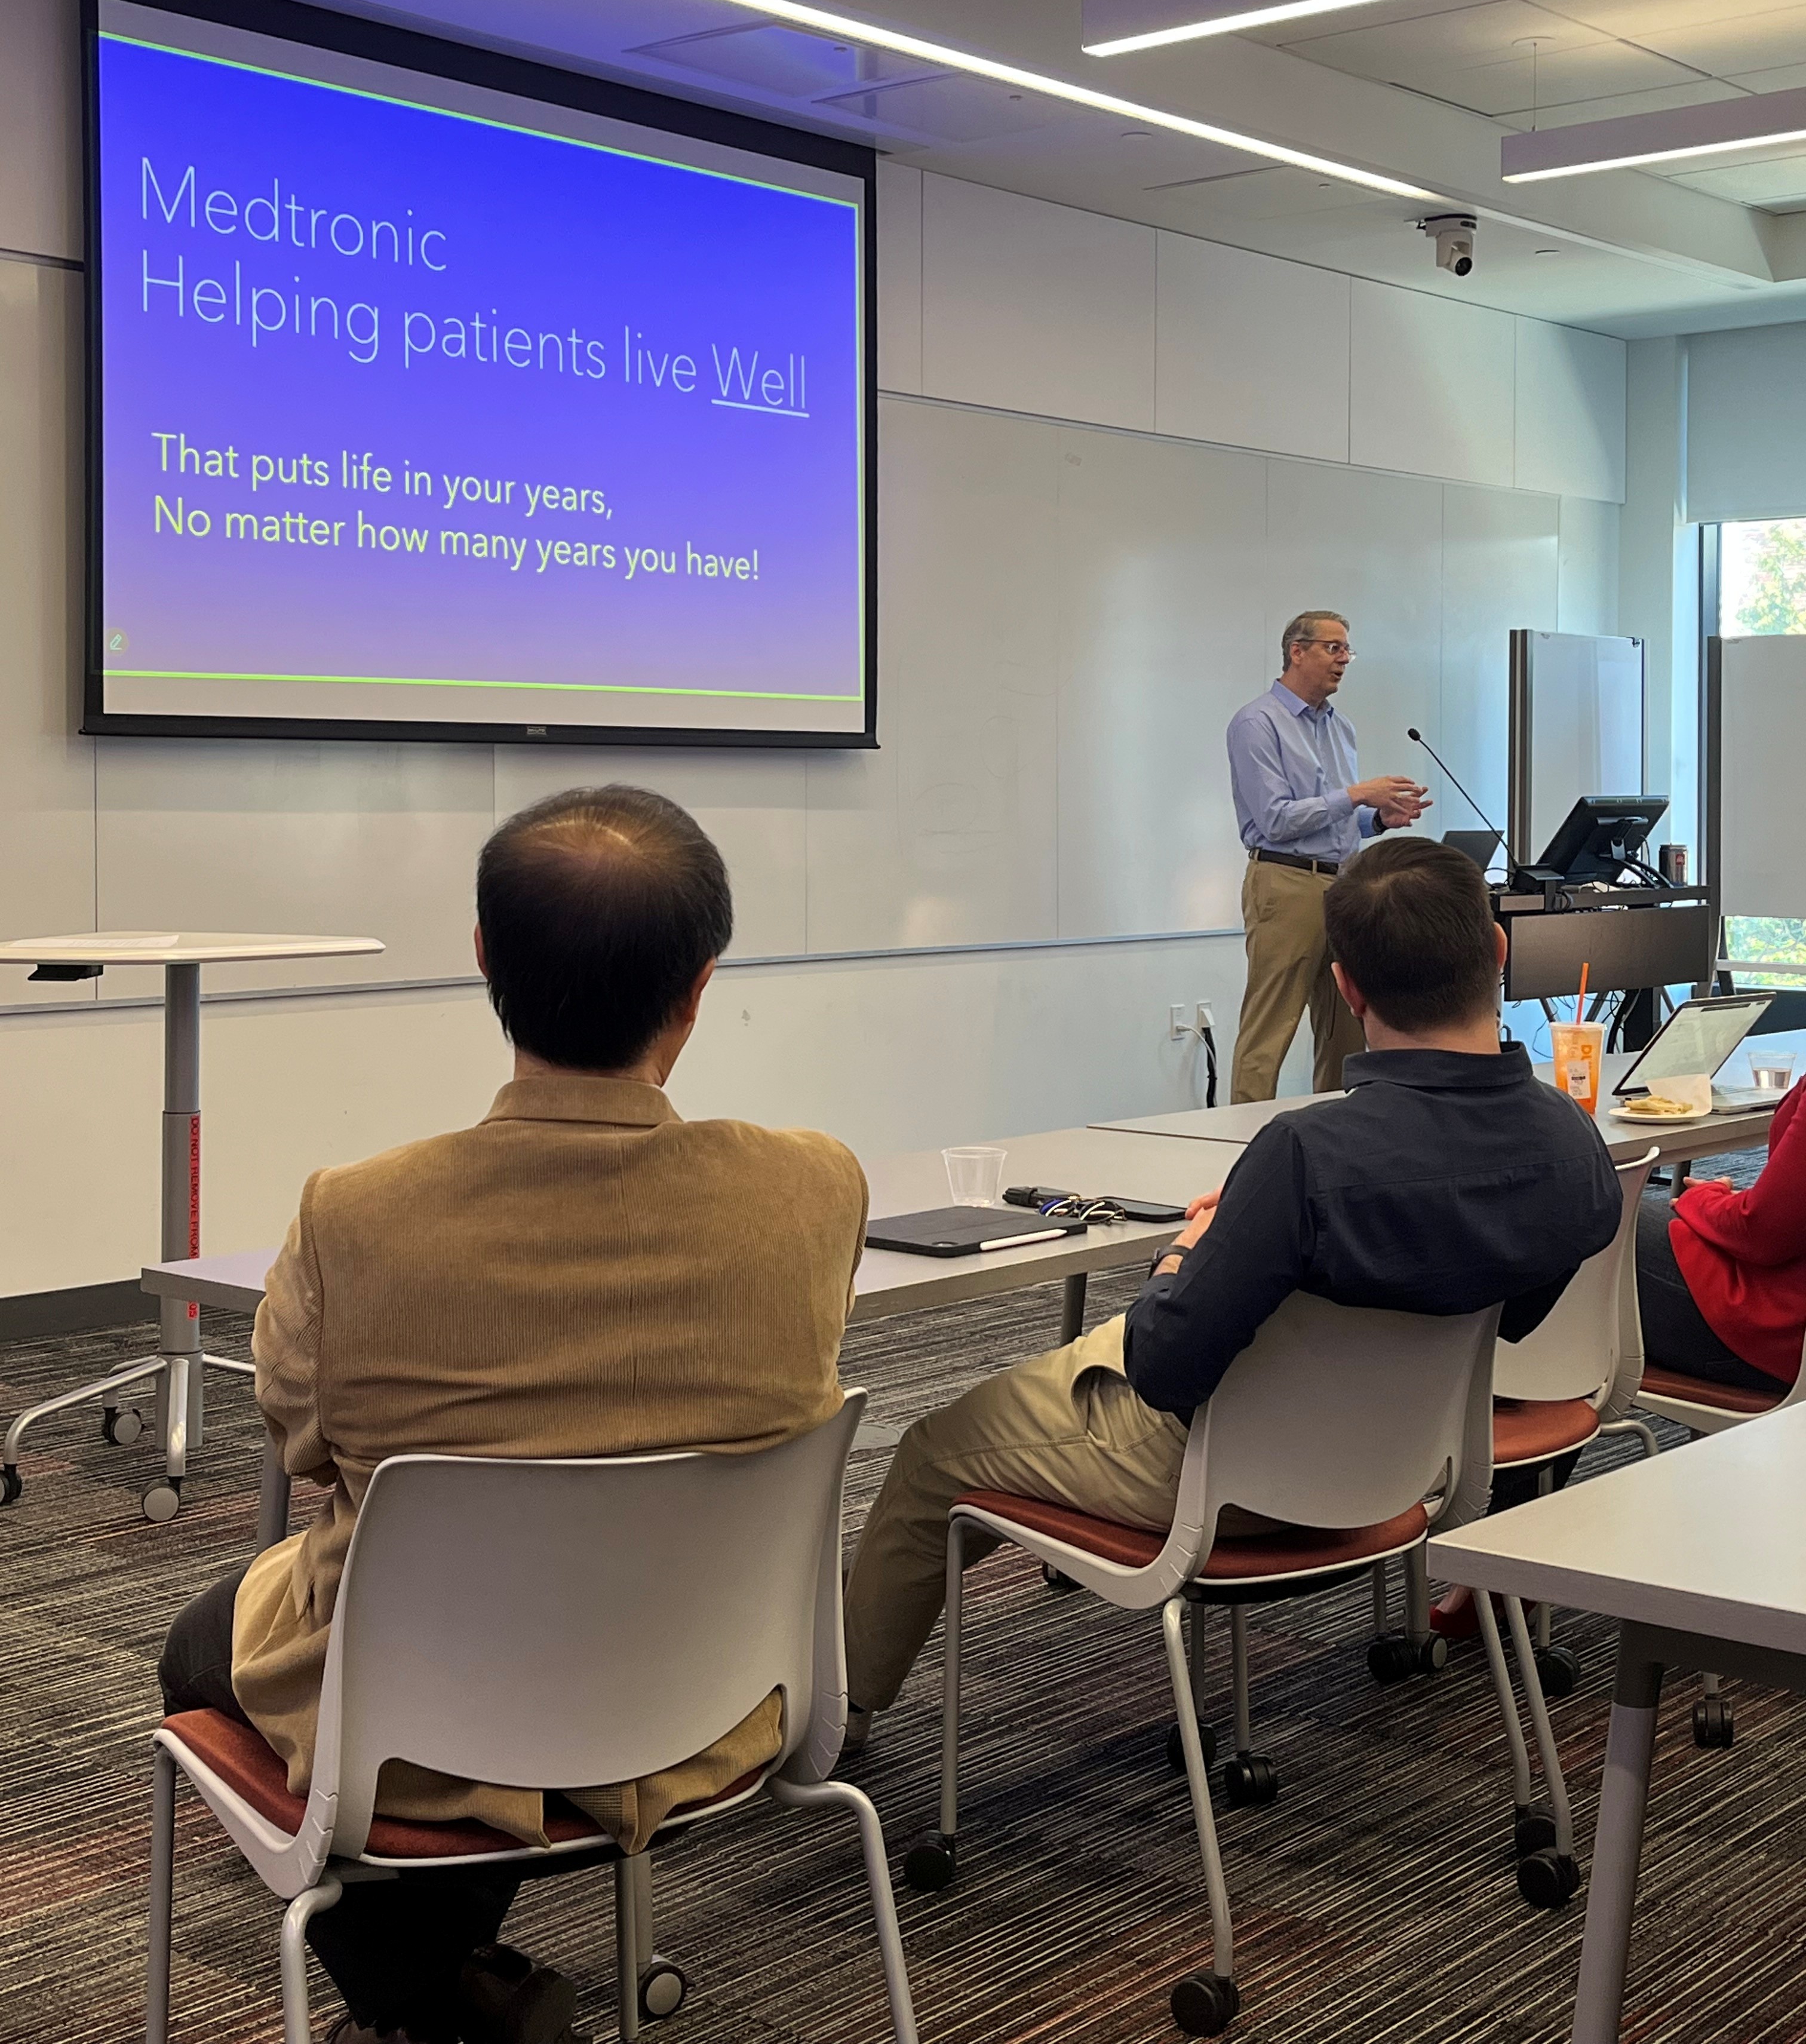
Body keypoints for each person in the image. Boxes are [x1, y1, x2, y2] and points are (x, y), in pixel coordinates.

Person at [157, 786, 866, 2044]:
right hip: (710, 1701)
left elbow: (292, 1427)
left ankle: (434, 1994)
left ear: (484, 959)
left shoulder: (358, 1215)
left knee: (204, 1643)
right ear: (700, 989)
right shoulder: (813, 1189)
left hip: (432, 1728)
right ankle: (460, 1979)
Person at [840, 839, 1621, 1732]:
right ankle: (860, 1594)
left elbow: (1168, 1369)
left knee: (937, 1449)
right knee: (1044, 1398)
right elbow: (1509, 1321)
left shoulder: (1306, 1156)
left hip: (1230, 1484)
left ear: (1346, 988)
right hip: (1410, 1466)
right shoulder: (1571, 1143)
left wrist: (1190, 1251)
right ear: (1499, 952)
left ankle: (839, 1711)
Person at [1226, 609, 1430, 1102]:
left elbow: (1336, 818)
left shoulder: (1342, 729)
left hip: (1347, 884)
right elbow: (1276, 820)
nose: (1343, 660)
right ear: (1297, 651)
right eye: (1332, 648)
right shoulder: (1257, 723)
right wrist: (1359, 795)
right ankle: (1242, 1148)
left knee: (1347, 1028)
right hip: (1287, 883)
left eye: (1347, 651)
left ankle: (1338, 1138)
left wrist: (1380, 820)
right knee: (1270, 1028)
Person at [1634, 1072, 1806, 1393]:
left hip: (1775, 1332)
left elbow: (1762, 1231)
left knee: (1587, 1218)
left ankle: (1541, 1417)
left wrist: (1704, 1199)